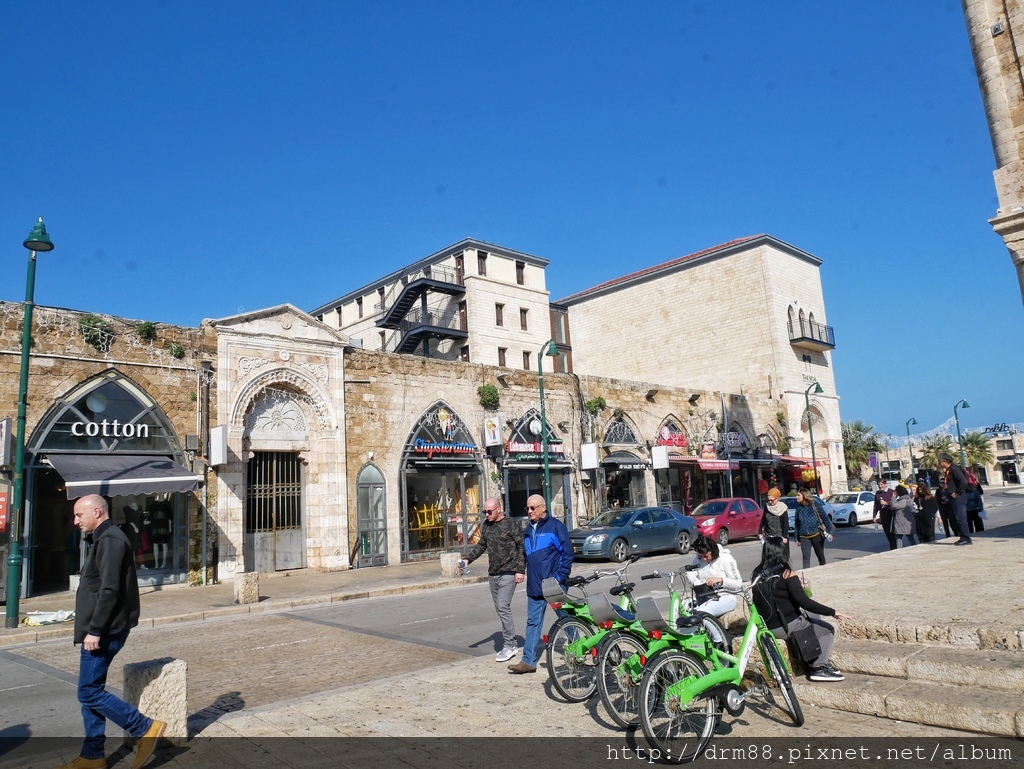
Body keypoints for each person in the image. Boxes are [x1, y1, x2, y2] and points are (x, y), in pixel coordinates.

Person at [62, 494, 166, 769]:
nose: (75, 521)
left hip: (104, 630)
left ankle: (144, 727)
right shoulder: (105, 538)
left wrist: (95, 629)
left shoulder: (109, 540)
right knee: (91, 690)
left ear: (97, 512)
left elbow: (110, 589)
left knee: (88, 692)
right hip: (101, 627)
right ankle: (93, 756)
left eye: (79, 515)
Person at [752, 536, 851, 682]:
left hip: (768, 626)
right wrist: (833, 612)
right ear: (782, 552)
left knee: (814, 617)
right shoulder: (786, 574)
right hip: (785, 625)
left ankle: (812, 657)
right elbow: (804, 602)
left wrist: (796, 587)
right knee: (827, 630)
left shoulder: (757, 574)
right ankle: (817, 667)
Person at [507, 494, 573, 674]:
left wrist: (560, 577)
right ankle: (528, 661)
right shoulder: (527, 530)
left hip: (554, 585)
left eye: (532, 508)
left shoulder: (556, 527)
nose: (529, 511)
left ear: (543, 508)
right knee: (533, 622)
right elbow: (525, 556)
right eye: (527, 509)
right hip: (535, 586)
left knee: (566, 619)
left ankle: (580, 652)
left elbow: (567, 554)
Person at [459, 497, 525, 663]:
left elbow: (521, 546)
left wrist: (519, 570)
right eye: (485, 512)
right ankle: (511, 641)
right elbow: (482, 545)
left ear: (498, 509)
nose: (487, 514)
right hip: (493, 573)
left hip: (509, 572)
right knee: (500, 609)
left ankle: (510, 645)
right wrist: (468, 560)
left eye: (490, 511)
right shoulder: (487, 526)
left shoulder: (511, 524)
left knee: (503, 606)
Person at [684, 536, 740, 647]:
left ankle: (719, 640)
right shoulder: (699, 558)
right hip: (706, 595)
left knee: (702, 611)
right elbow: (690, 572)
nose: (703, 559)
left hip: (726, 596)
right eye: (701, 557)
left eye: (706, 556)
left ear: (712, 551)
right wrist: (697, 582)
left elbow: (738, 583)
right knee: (685, 606)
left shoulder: (726, 558)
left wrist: (720, 580)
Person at [793, 487, 834, 569]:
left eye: (798, 495)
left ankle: (824, 571)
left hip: (816, 535)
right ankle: (806, 575)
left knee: (820, 556)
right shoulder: (798, 508)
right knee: (806, 558)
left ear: (804, 496)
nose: (796, 497)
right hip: (804, 536)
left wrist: (829, 532)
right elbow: (797, 524)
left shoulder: (814, 505)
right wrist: (796, 538)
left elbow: (825, 518)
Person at [938, 453, 972, 546]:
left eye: (940, 462)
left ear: (945, 461)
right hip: (952, 497)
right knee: (957, 518)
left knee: (960, 518)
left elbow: (963, 481)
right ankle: (962, 536)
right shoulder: (948, 470)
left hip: (959, 497)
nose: (939, 464)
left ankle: (966, 538)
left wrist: (957, 492)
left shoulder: (954, 469)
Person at [872, 479, 898, 551]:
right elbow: (876, 505)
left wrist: (887, 503)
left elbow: (896, 503)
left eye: (882, 484)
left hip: (891, 514)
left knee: (893, 532)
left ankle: (896, 547)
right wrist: (874, 515)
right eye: (879, 485)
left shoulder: (891, 492)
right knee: (888, 533)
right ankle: (892, 548)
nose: (880, 486)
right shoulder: (877, 493)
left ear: (885, 484)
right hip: (883, 516)